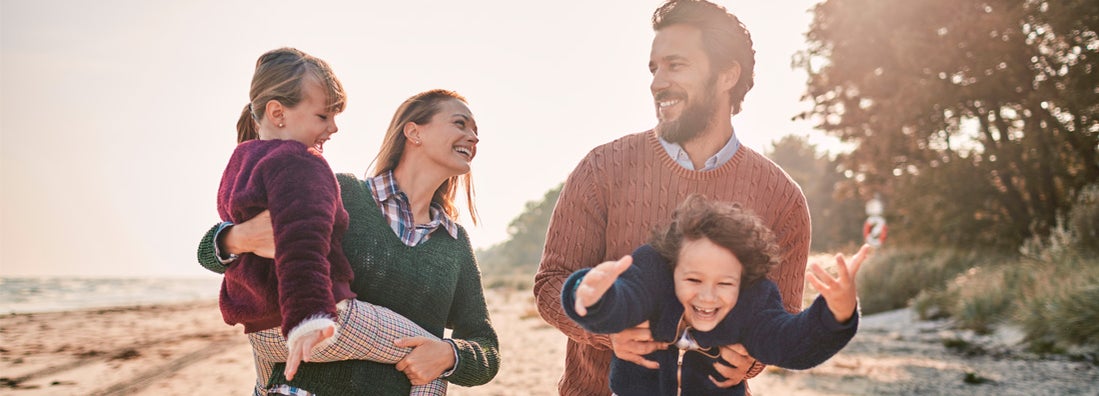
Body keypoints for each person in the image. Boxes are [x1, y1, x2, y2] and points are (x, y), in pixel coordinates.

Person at [533, 1, 813, 394]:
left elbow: (779, 322)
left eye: (675, 65)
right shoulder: (601, 169)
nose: (657, 82)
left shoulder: (781, 198)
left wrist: (751, 357)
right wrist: (607, 334)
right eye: (654, 67)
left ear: (727, 75)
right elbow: (550, 285)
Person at [200, 87, 499, 395]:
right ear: (414, 132)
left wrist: (451, 355)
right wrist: (236, 238)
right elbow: (209, 251)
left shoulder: (453, 242)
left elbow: (486, 345)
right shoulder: (344, 193)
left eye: (476, 131)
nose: (473, 138)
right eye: (460, 124)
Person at [562, 195, 867, 395]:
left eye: (724, 283)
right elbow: (623, 301)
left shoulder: (754, 301)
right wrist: (591, 296)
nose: (707, 296)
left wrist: (835, 313)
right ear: (673, 268)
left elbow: (789, 343)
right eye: (694, 279)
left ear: (743, 279)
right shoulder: (653, 276)